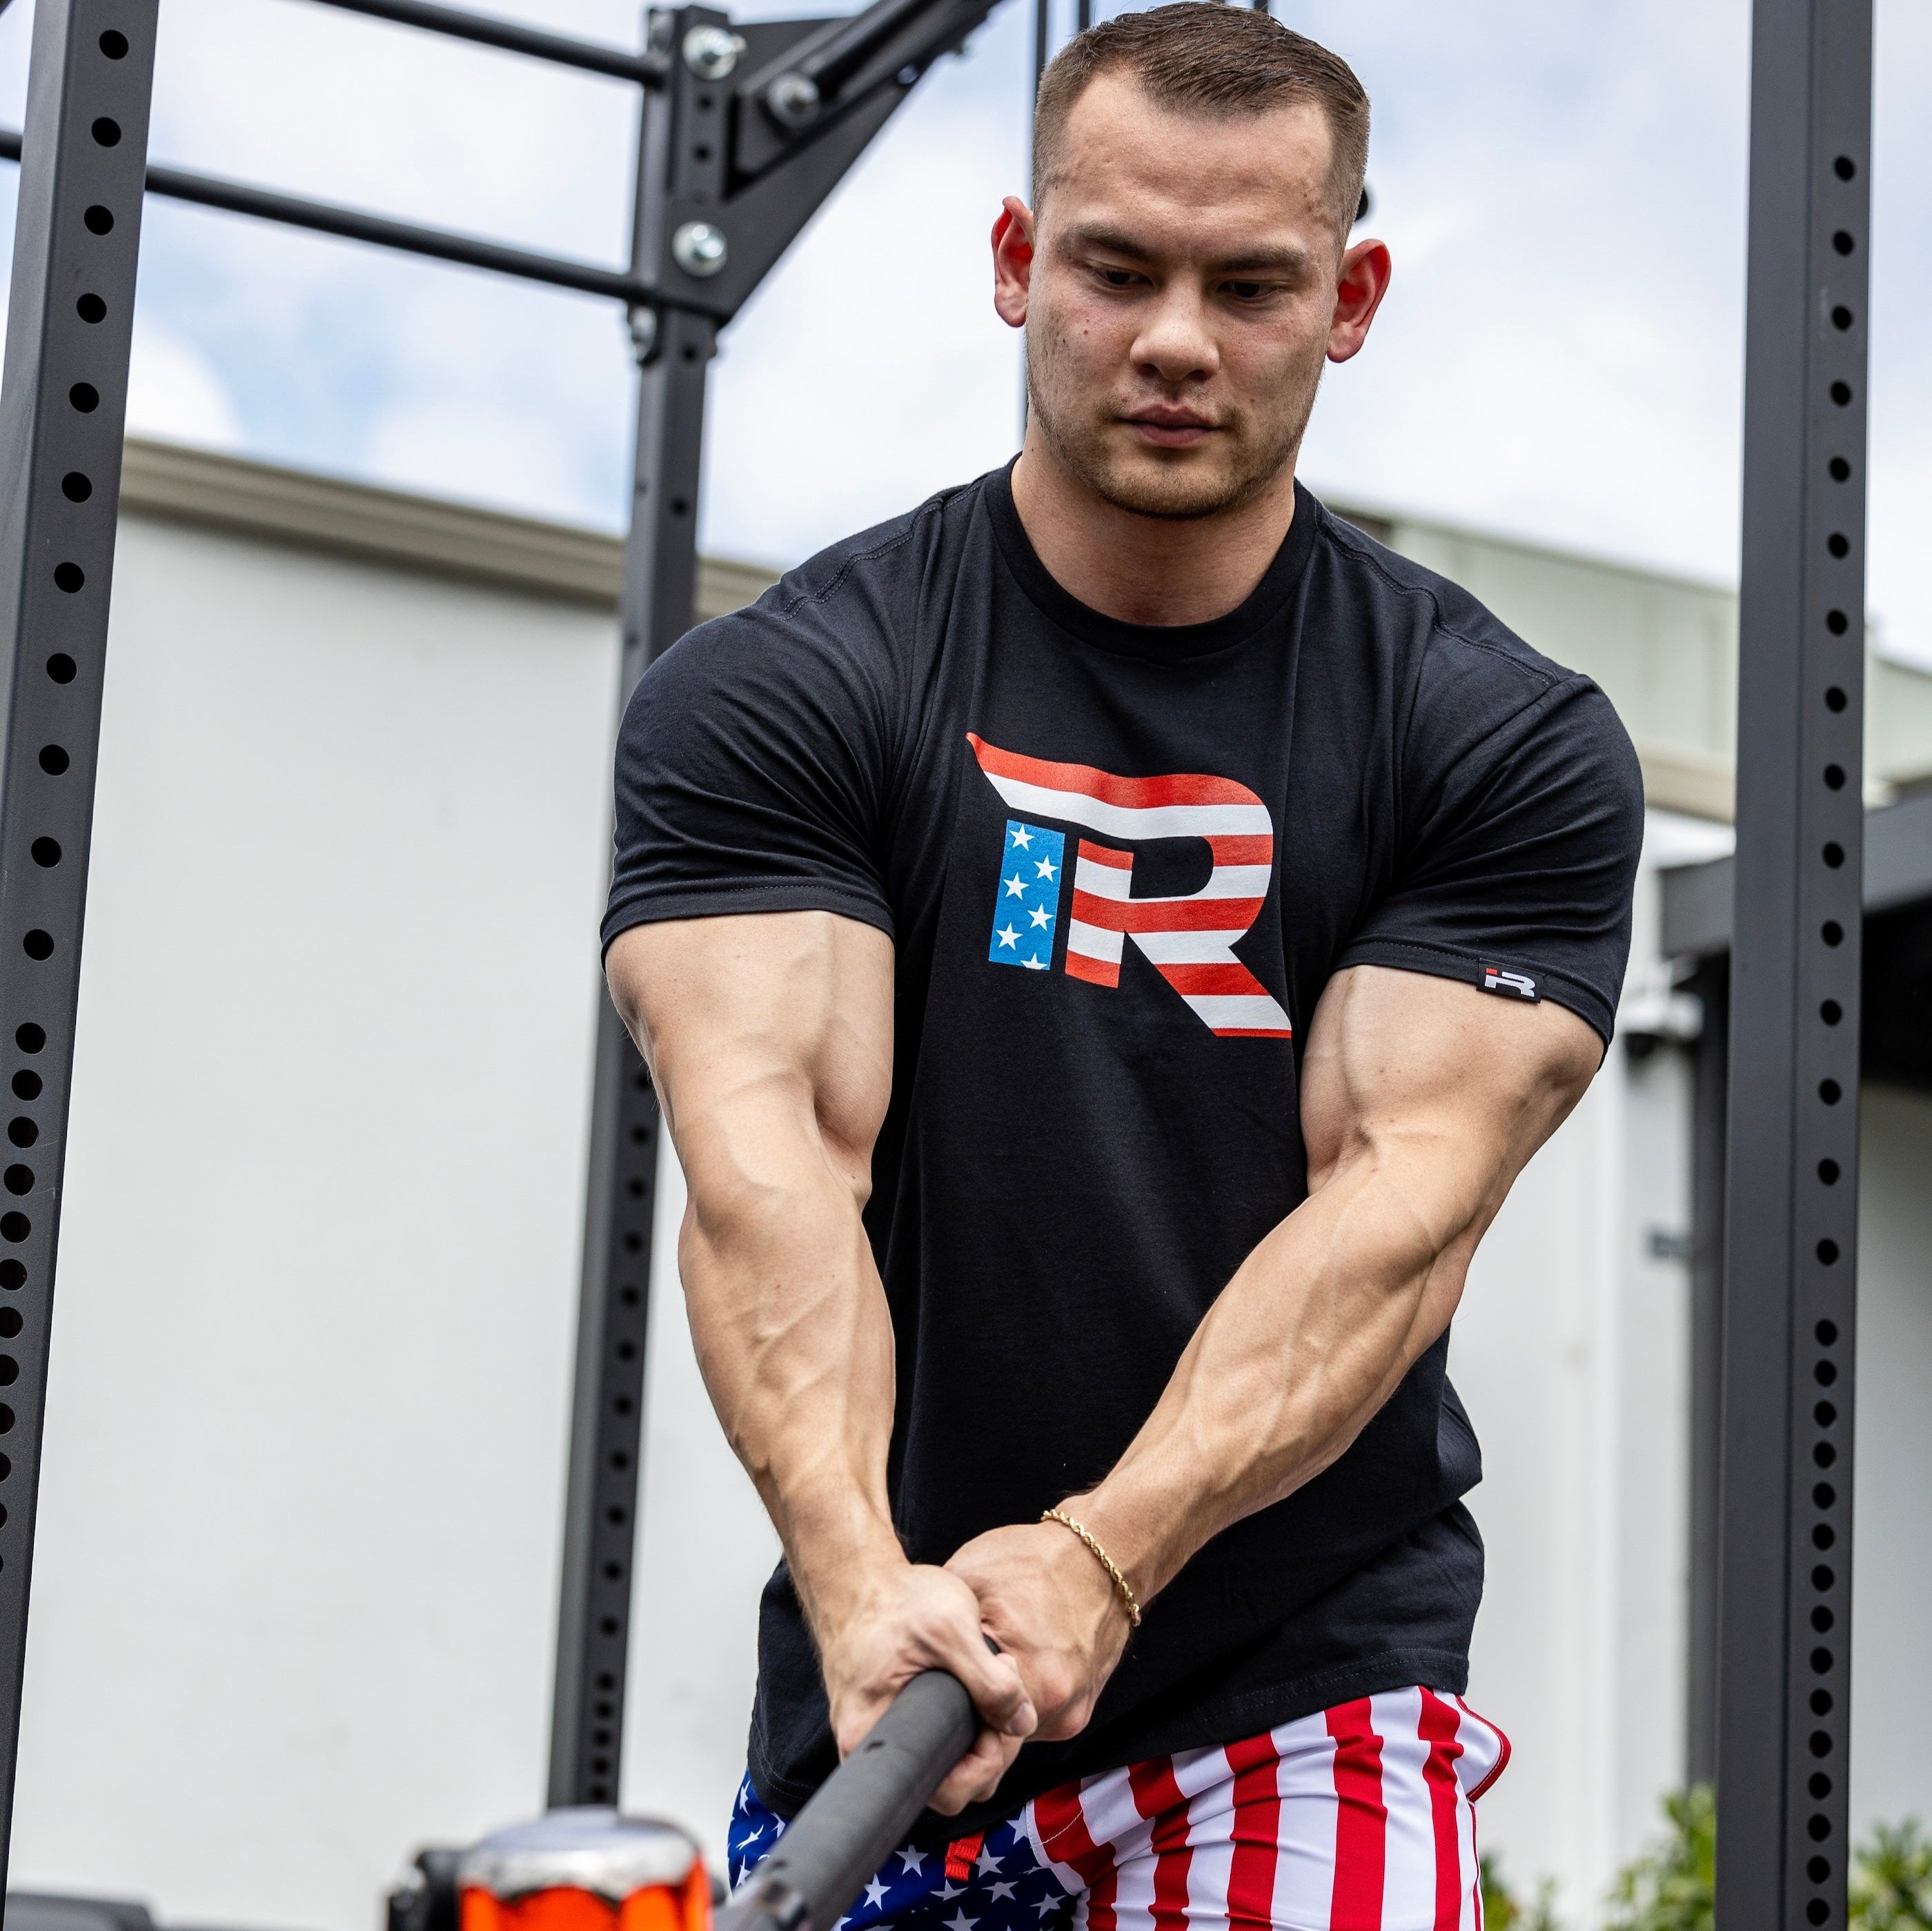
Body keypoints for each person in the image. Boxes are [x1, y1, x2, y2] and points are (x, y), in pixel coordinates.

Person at [601, 7, 1642, 1925]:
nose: (1175, 338)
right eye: (1113, 266)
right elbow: (772, 1169)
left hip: (1304, 1682)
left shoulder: (1492, 737)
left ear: (1351, 296)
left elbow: (1395, 1215)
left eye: (1250, 282)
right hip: (900, 1669)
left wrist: (1106, 1552)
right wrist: (854, 1574)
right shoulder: (788, 692)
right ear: (1018, 265)